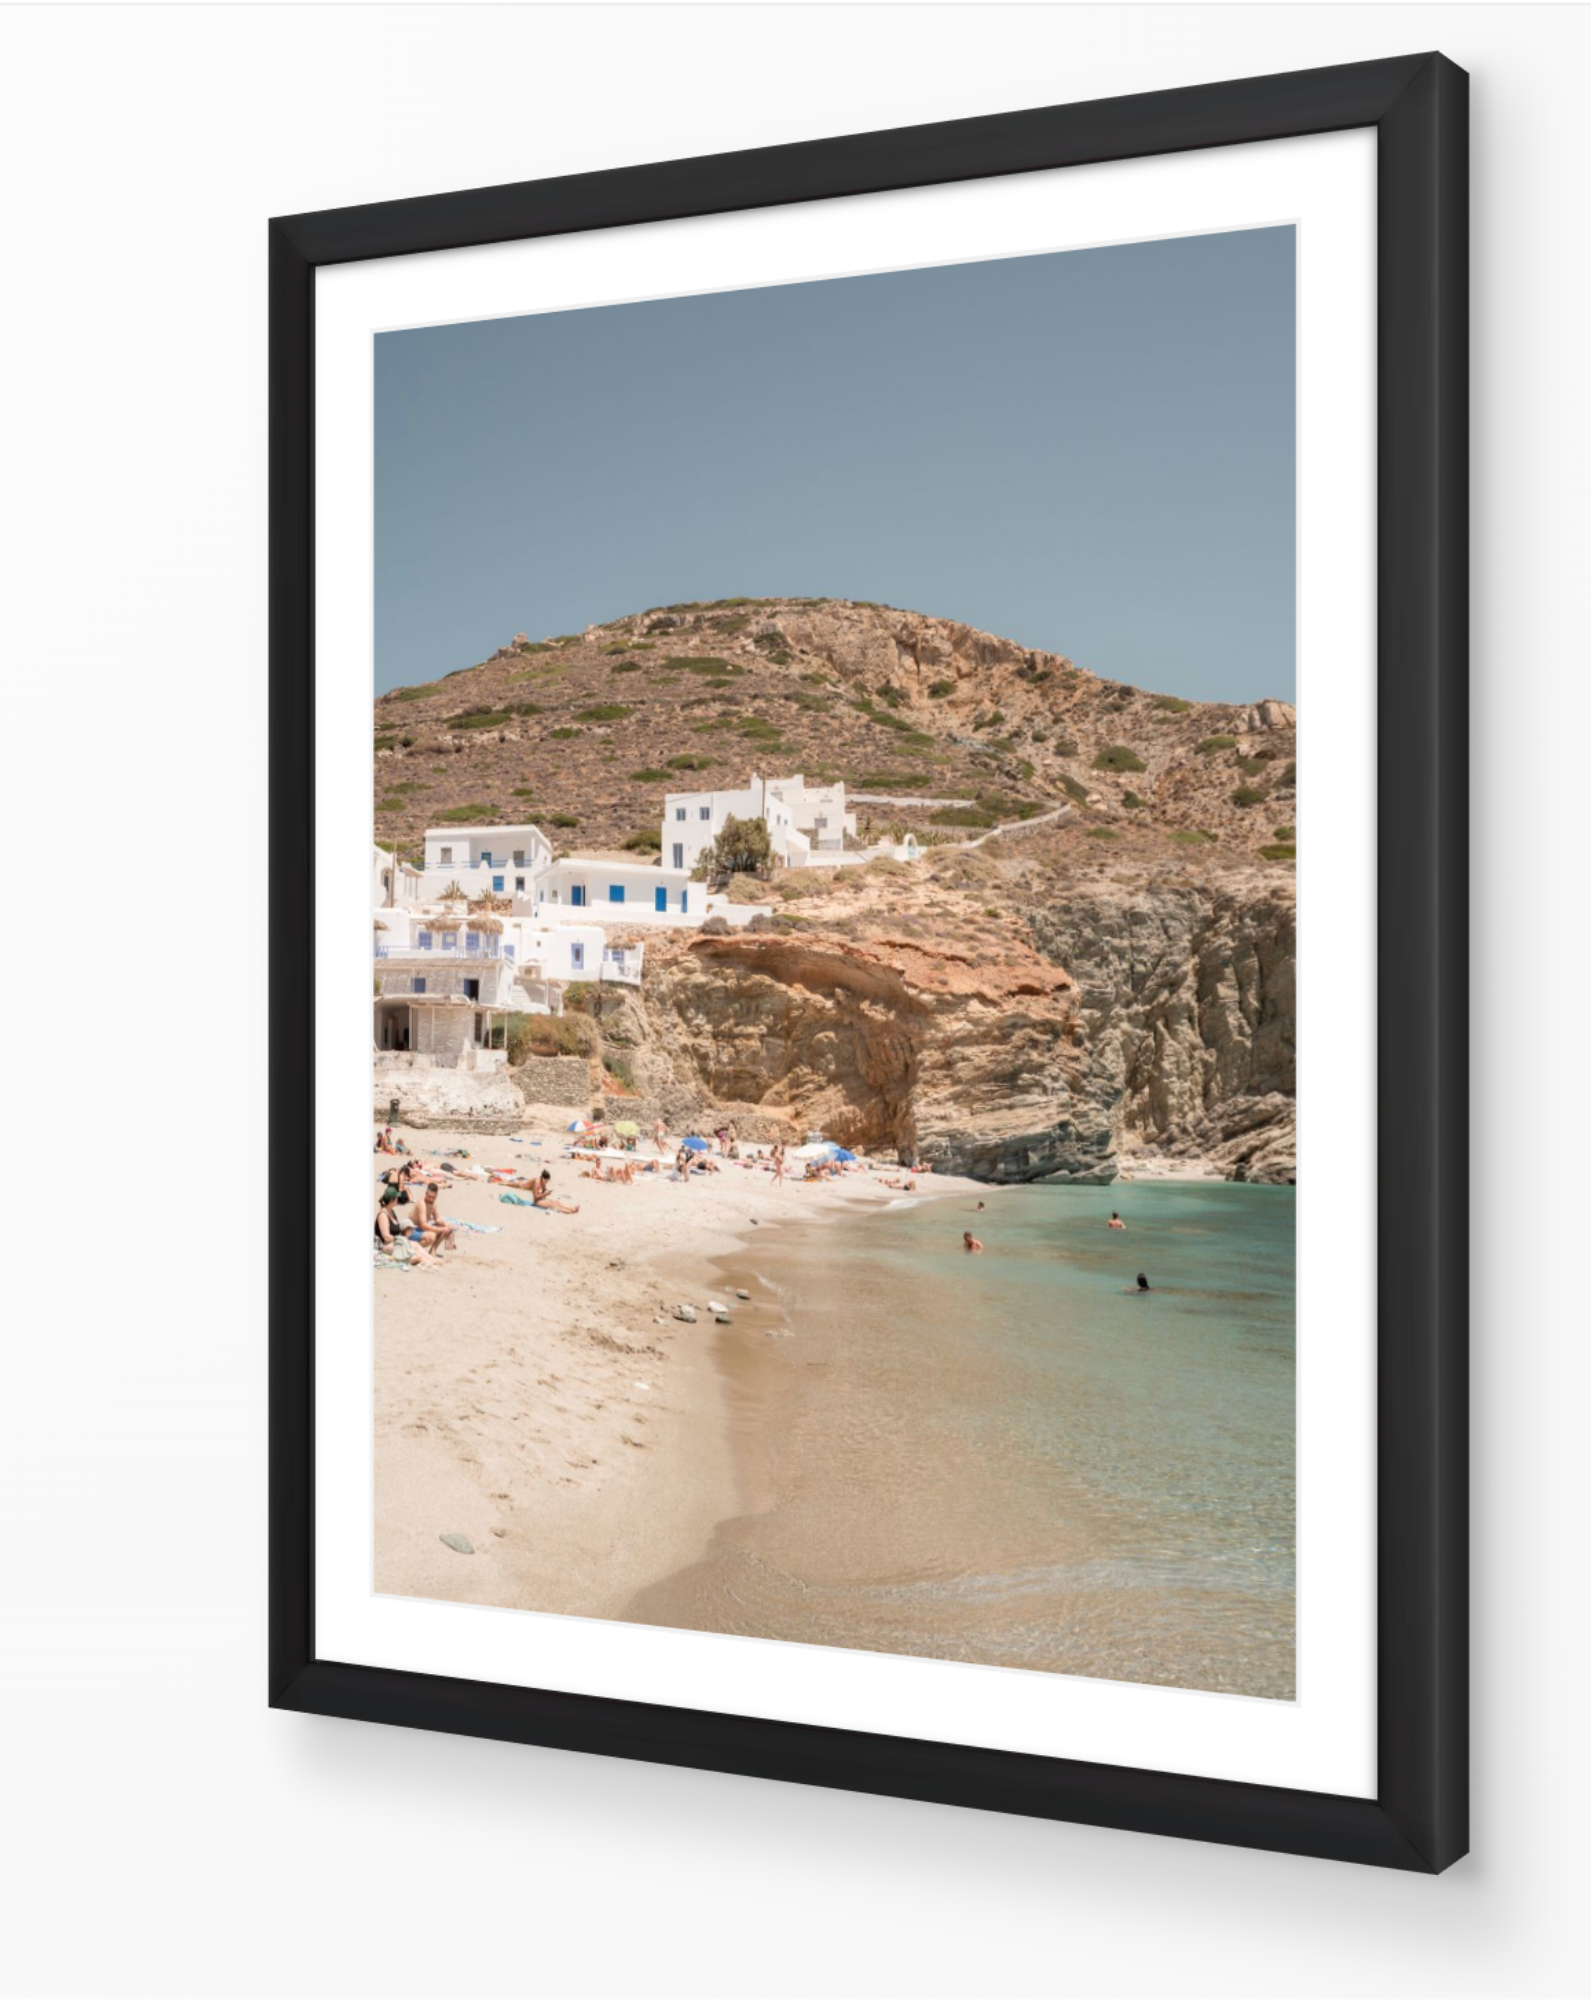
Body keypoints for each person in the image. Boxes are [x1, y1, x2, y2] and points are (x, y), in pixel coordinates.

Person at [416, 1182, 457, 1253]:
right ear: (426, 1194)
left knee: (446, 1228)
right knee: (432, 1236)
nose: (431, 1199)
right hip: (414, 1229)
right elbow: (423, 1225)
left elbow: (437, 1218)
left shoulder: (433, 1203)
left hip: (423, 1228)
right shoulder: (421, 1203)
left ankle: (432, 1251)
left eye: (433, 1197)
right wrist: (440, 1228)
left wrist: (445, 1225)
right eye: (429, 1196)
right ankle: (415, 1249)